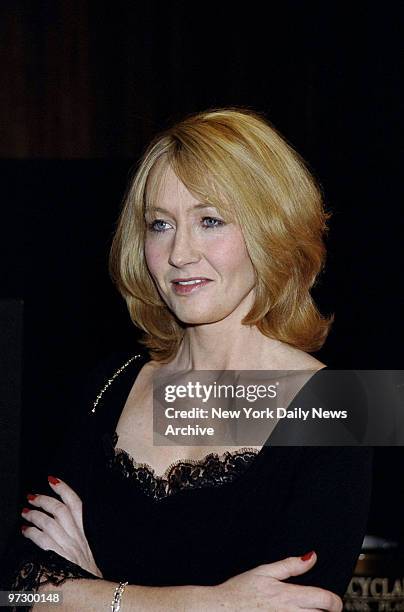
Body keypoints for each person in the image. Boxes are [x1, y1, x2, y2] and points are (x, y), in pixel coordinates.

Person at [2, 108, 373, 611]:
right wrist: (210, 603)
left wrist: (92, 591)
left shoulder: (344, 407)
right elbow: (19, 589)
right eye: (159, 224)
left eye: (209, 221)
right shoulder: (109, 383)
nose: (179, 253)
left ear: (272, 229)